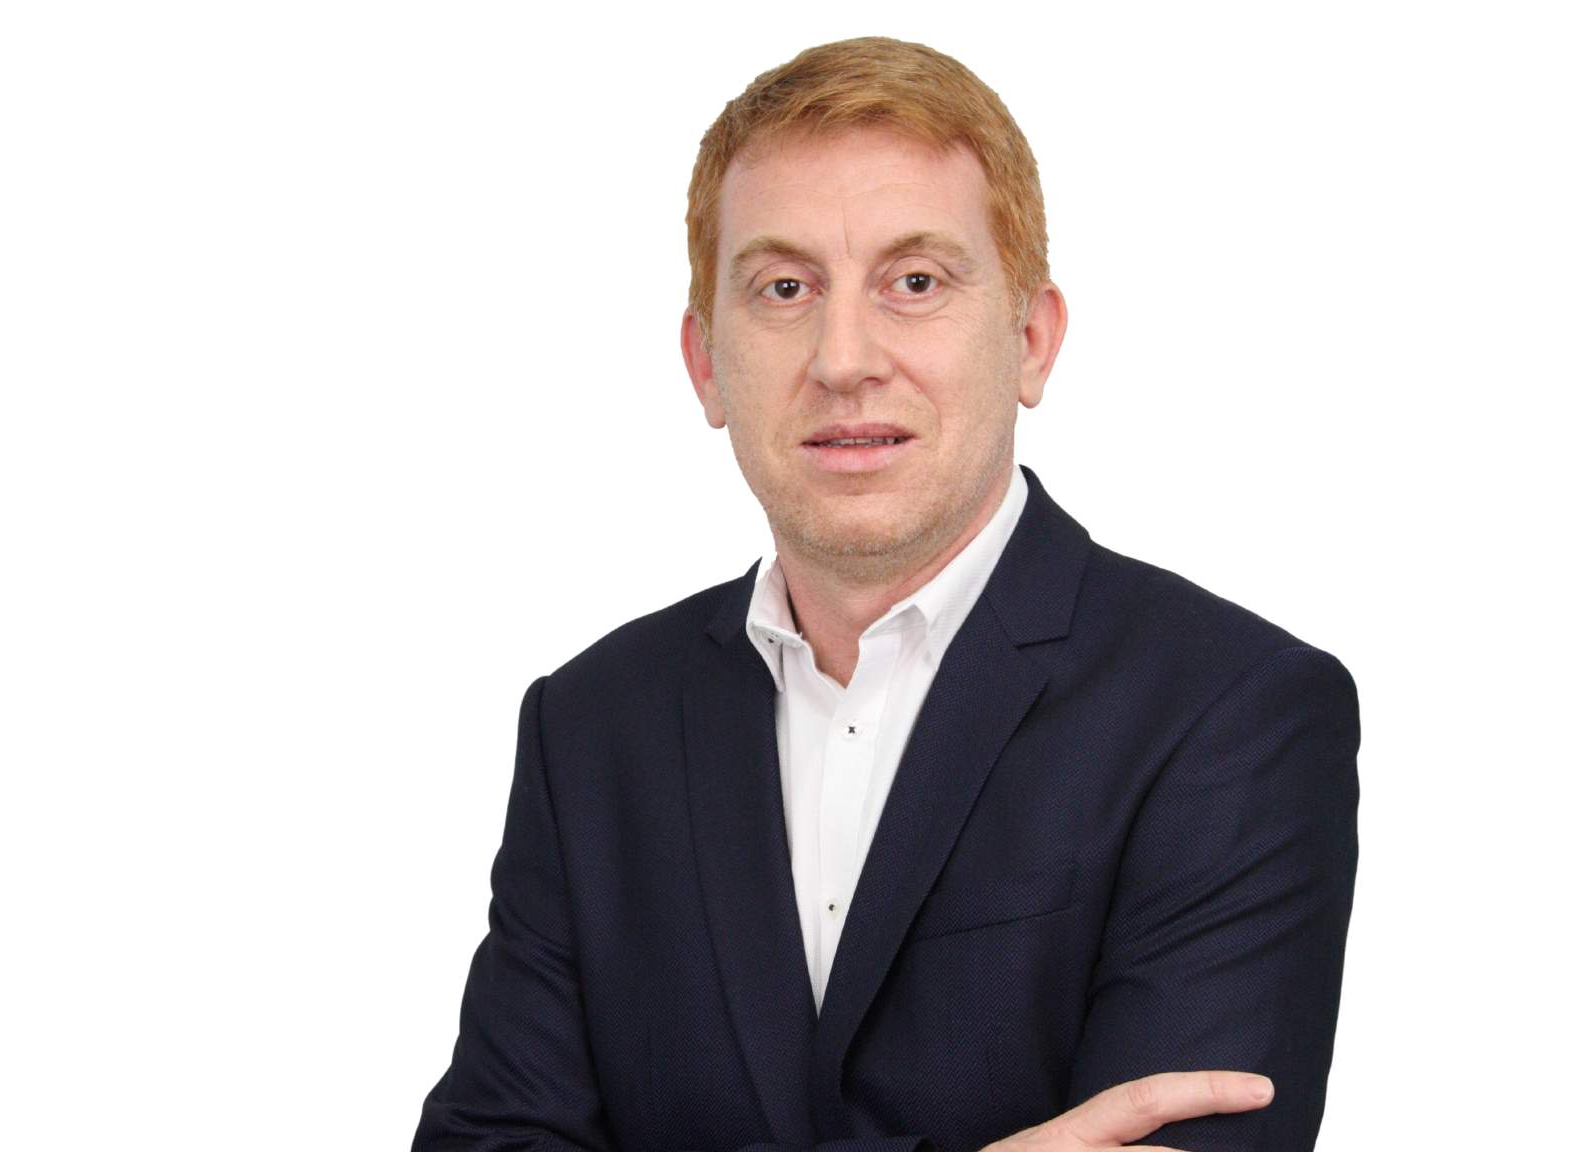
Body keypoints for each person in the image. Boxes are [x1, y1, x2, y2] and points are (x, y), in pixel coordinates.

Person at [413, 36, 1360, 1152]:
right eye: (784, 288)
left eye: (915, 283)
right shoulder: (590, 726)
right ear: (706, 363)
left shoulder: (1232, 714)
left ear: (1030, 340)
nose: (844, 358)